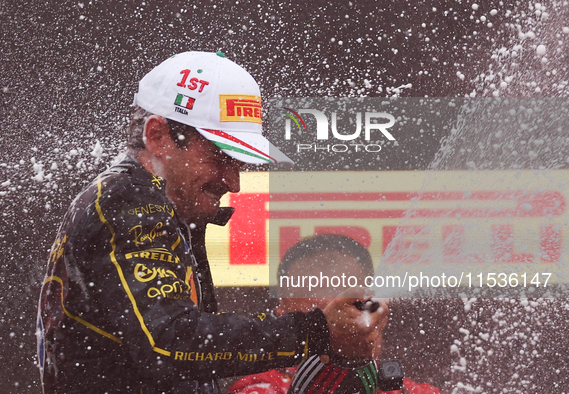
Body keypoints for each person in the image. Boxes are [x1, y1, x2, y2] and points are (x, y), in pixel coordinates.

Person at [36, 51, 388, 394]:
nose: (234, 182)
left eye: (240, 163)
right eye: (220, 157)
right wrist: (315, 331)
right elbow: (170, 343)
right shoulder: (127, 202)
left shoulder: (156, 204)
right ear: (158, 136)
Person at [228, 234, 448, 394]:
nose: (340, 330)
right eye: (318, 321)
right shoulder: (257, 389)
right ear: (282, 322)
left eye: (350, 311)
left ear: (380, 316)